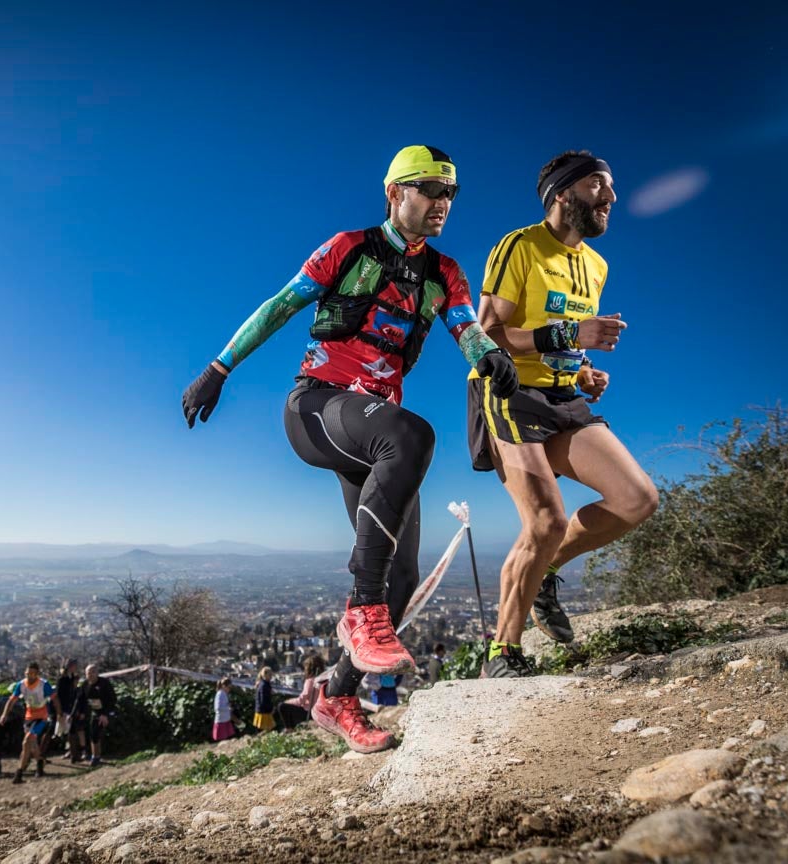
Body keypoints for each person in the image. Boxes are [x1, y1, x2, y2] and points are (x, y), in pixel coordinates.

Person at [182, 145, 517, 752]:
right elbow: (281, 305)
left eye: (450, 193)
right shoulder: (349, 246)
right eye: (428, 189)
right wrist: (218, 367)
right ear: (395, 192)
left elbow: (466, 325)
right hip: (317, 406)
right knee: (413, 434)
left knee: (406, 575)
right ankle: (361, 609)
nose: (442, 203)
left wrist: (487, 355)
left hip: (371, 426)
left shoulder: (445, 272)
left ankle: (337, 695)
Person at [469, 150, 657, 678]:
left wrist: (581, 371)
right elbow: (485, 335)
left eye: (612, 187)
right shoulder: (520, 246)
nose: (612, 198)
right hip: (507, 391)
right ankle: (501, 655)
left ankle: (544, 572)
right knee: (546, 519)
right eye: (599, 185)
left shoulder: (596, 266)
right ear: (562, 194)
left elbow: (562, 343)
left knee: (636, 499)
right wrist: (574, 334)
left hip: (560, 396)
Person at [0, 662, 60, 784]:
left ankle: (19, 773)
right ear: (25, 673)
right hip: (29, 717)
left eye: (33, 673)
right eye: (28, 673)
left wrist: (59, 715)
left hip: (41, 717)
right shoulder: (21, 685)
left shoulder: (44, 685)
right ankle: (40, 762)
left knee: (26, 741)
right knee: (32, 744)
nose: (30, 676)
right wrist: (4, 714)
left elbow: (55, 699)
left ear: (37, 674)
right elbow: (12, 700)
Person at [77, 664, 116, 767]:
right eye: (88, 673)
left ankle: (98, 756)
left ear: (97, 673)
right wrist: (80, 712)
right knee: (93, 733)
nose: (91, 675)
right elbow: (80, 699)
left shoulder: (104, 683)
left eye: (93, 672)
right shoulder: (85, 685)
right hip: (95, 711)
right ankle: (96, 756)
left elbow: (112, 699)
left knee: (98, 732)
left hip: (107, 711)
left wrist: (105, 714)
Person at [274, 655, 325, 730]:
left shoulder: (310, 681)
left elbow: (301, 700)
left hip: (309, 712)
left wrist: (287, 701)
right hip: (319, 711)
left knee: (282, 706)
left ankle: (289, 728)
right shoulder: (324, 680)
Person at [55, 658, 80, 760]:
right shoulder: (62, 680)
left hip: (70, 707)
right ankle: (73, 754)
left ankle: (73, 753)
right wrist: (59, 711)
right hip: (64, 708)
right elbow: (59, 696)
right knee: (67, 731)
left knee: (71, 731)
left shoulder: (71, 678)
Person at [252, 667, 275, 733]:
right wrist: (270, 709)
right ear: (265, 675)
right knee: (265, 732)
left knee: (264, 731)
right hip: (263, 713)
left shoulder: (262, 684)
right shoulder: (264, 685)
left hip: (261, 711)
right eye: (269, 675)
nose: (271, 677)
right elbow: (263, 700)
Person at [212, 678, 236, 742]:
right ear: (223, 686)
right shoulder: (220, 694)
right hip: (221, 721)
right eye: (229, 687)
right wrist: (228, 708)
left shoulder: (224, 693)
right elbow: (218, 708)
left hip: (226, 720)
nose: (229, 689)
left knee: (227, 739)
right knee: (222, 740)